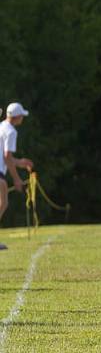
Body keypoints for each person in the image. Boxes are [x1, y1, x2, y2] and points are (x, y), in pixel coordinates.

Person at [0, 103, 33, 248]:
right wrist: (17, 179)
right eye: (22, 116)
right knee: (3, 202)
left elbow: (6, 157)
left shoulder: (1, 126)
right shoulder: (12, 132)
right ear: (17, 117)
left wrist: (20, 162)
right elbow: (7, 157)